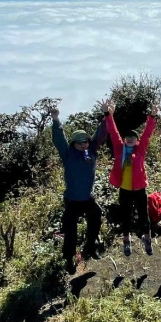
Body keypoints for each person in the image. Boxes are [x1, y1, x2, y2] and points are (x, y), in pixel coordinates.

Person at [50, 100, 110, 272]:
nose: (84, 144)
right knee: (70, 231)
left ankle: (90, 247)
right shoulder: (68, 154)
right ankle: (69, 259)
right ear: (74, 143)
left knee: (96, 217)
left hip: (88, 198)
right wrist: (55, 120)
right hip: (72, 200)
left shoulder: (91, 151)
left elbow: (100, 134)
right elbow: (59, 140)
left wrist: (106, 115)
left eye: (86, 141)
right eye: (80, 142)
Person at [106, 102, 159, 256]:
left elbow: (147, 133)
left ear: (137, 141)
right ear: (124, 140)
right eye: (127, 137)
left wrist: (153, 116)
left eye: (133, 137)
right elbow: (113, 132)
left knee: (144, 216)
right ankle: (126, 241)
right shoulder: (119, 149)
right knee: (126, 216)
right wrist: (108, 115)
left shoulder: (140, 149)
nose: (130, 138)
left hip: (140, 189)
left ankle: (148, 240)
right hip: (125, 189)